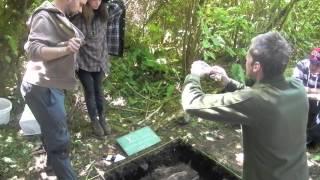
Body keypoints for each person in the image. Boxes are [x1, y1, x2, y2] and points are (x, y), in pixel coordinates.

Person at [181, 31, 309, 180]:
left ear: (256, 66)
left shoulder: (257, 101)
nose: (245, 59)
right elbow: (260, 96)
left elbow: (191, 103)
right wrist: (228, 83)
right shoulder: (296, 87)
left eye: (247, 56)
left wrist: (194, 75)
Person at [20, 0, 87, 179]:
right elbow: (34, 50)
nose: (81, 9)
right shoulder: (44, 15)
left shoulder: (56, 16)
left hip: (49, 85)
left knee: (50, 129)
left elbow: (46, 45)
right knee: (60, 142)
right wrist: (66, 49)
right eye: (81, 3)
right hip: (43, 87)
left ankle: (51, 167)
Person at [70, 0, 123, 137]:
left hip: (100, 60)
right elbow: (72, 39)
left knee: (99, 90)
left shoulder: (104, 14)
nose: (97, 2)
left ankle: (102, 118)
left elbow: (119, 7)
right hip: (84, 62)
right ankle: (94, 120)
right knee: (90, 91)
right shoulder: (78, 18)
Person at [292, 48, 320, 147]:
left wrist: (307, 90)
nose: (314, 66)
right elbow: (296, 86)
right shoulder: (302, 65)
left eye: (318, 64)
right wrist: (314, 92)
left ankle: (310, 138)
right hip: (301, 100)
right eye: (312, 62)